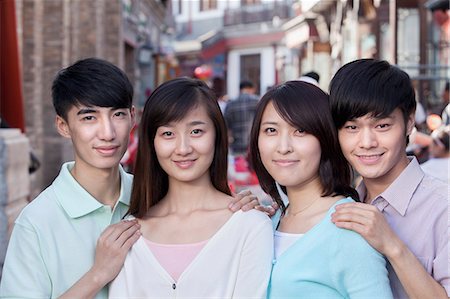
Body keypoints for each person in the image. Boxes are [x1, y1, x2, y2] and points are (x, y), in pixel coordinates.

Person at [0, 59, 259, 299]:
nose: (107, 132)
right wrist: (98, 275)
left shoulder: (151, 197)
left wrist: (242, 210)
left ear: (133, 117)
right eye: (89, 117)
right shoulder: (36, 222)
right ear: (63, 126)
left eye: (118, 115)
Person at [109, 77, 273, 298]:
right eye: (168, 134)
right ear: (152, 143)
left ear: (217, 135)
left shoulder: (250, 224)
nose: (183, 148)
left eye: (196, 132)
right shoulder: (129, 232)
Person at [249, 80, 392, 298]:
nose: (283, 147)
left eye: (300, 131)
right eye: (271, 130)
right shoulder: (269, 220)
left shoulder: (348, 227)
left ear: (325, 138)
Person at [329, 59, 449, 298]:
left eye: (382, 125)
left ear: (409, 122)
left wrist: (393, 246)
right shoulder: (339, 205)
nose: (366, 142)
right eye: (352, 128)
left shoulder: (443, 209)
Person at [224, 80, 259, 156]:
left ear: (240, 90)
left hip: (237, 145)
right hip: (254, 144)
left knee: (240, 166)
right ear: (251, 89)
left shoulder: (230, 104)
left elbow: (226, 126)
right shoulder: (257, 101)